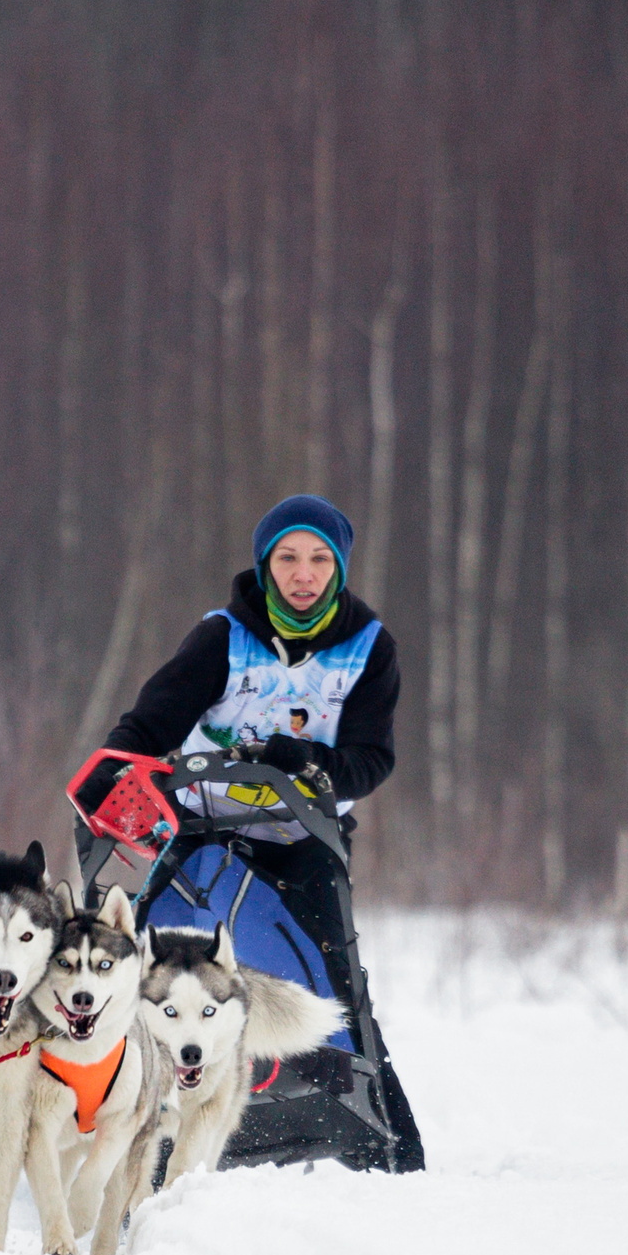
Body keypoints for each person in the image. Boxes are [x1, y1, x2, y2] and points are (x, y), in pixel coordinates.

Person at [73, 494, 425, 1173]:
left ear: (339, 568)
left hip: (305, 837)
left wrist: (313, 764)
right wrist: (111, 774)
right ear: (266, 564)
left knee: (341, 991)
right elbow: (150, 724)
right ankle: (100, 1128)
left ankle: (393, 1153)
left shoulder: (370, 648)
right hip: (205, 834)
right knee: (136, 975)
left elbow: (372, 759)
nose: (304, 573)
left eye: (320, 559)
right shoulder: (222, 636)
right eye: (289, 557)